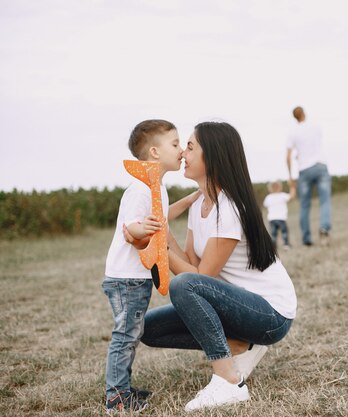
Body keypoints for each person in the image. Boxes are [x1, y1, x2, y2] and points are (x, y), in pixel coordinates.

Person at [139, 122, 297, 412]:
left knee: (185, 286)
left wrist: (158, 243)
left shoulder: (231, 207)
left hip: (270, 313)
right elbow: (189, 267)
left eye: (189, 147)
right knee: (148, 329)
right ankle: (239, 344)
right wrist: (160, 230)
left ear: (212, 155)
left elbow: (196, 279)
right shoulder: (199, 207)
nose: (183, 154)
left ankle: (227, 381)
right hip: (236, 306)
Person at [102, 119, 200, 413]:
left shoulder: (156, 186)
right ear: (155, 152)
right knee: (126, 335)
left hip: (135, 277)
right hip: (127, 278)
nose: (181, 149)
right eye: (175, 144)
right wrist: (141, 229)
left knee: (131, 333)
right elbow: (130, 227)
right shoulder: (141, 189)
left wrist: (193, 197)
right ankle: (116, 398)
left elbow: (163, 217)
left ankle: (123, 389)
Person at [286, 106, 332, 246]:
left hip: (304, 169)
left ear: (294, 117)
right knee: (324, 201)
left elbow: (288, 157)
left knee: (304, 205)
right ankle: (324, 227)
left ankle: (306, 238)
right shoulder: (316, 127)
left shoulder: (292, 132)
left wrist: (290, 176)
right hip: (320, 166)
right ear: (304, 113)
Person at [263, 179, 296, 250]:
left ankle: (273, 246)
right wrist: (292, 187)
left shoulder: (268, 197)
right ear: (280, 187)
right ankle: (286, 245)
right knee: (284, 232)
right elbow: (291, 197)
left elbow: (265, 205)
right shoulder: (282, 195)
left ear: (270, 189)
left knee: (273, 234)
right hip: (281, 218)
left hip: (272, 219)